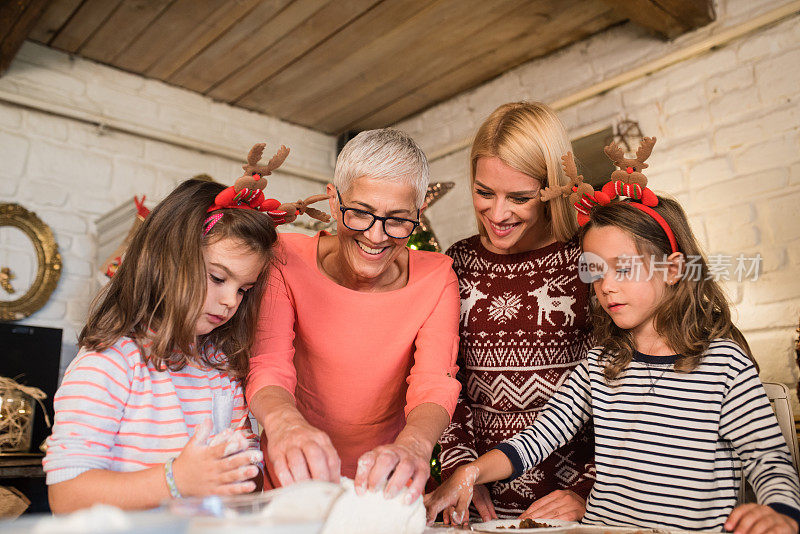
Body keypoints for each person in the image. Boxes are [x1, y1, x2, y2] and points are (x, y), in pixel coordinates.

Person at [426, 183, 800, 532]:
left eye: (623, 268)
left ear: (671, 270)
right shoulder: (600, 363)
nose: (606, 286)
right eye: (596, 270)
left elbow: (768, 460)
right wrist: (468, 472)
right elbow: (536, 439)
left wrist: (781, 514)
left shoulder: (724, 364)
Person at [246, 128, 461, 505]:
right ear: (334, 201)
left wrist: (413, 447)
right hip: (293, 482)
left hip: (388, 488)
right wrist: (284, 425)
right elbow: (269, 365)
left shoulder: (437, 276)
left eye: (397, 219)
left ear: (418, 213)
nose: (376, 236)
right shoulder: (285, 258)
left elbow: (434, 383)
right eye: (360, 212)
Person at [44, 179, 278, 512]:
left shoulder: (219, 367)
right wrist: (177, 480)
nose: (230, 302)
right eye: (218, 277)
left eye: (243, 289)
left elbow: (244, 478)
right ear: (167, 260)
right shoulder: (110, 363)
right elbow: (66, 496)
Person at [438, 101, 595, 523]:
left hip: (571, 506)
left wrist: (588, 491)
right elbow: (446, 378)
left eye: (520, 198)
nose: (498, 213)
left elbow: (621, 385)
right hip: (479, 503)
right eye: (484, 192)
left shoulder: (589, 258)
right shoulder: (457, 262)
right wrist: (460, 465)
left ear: (553, 189)